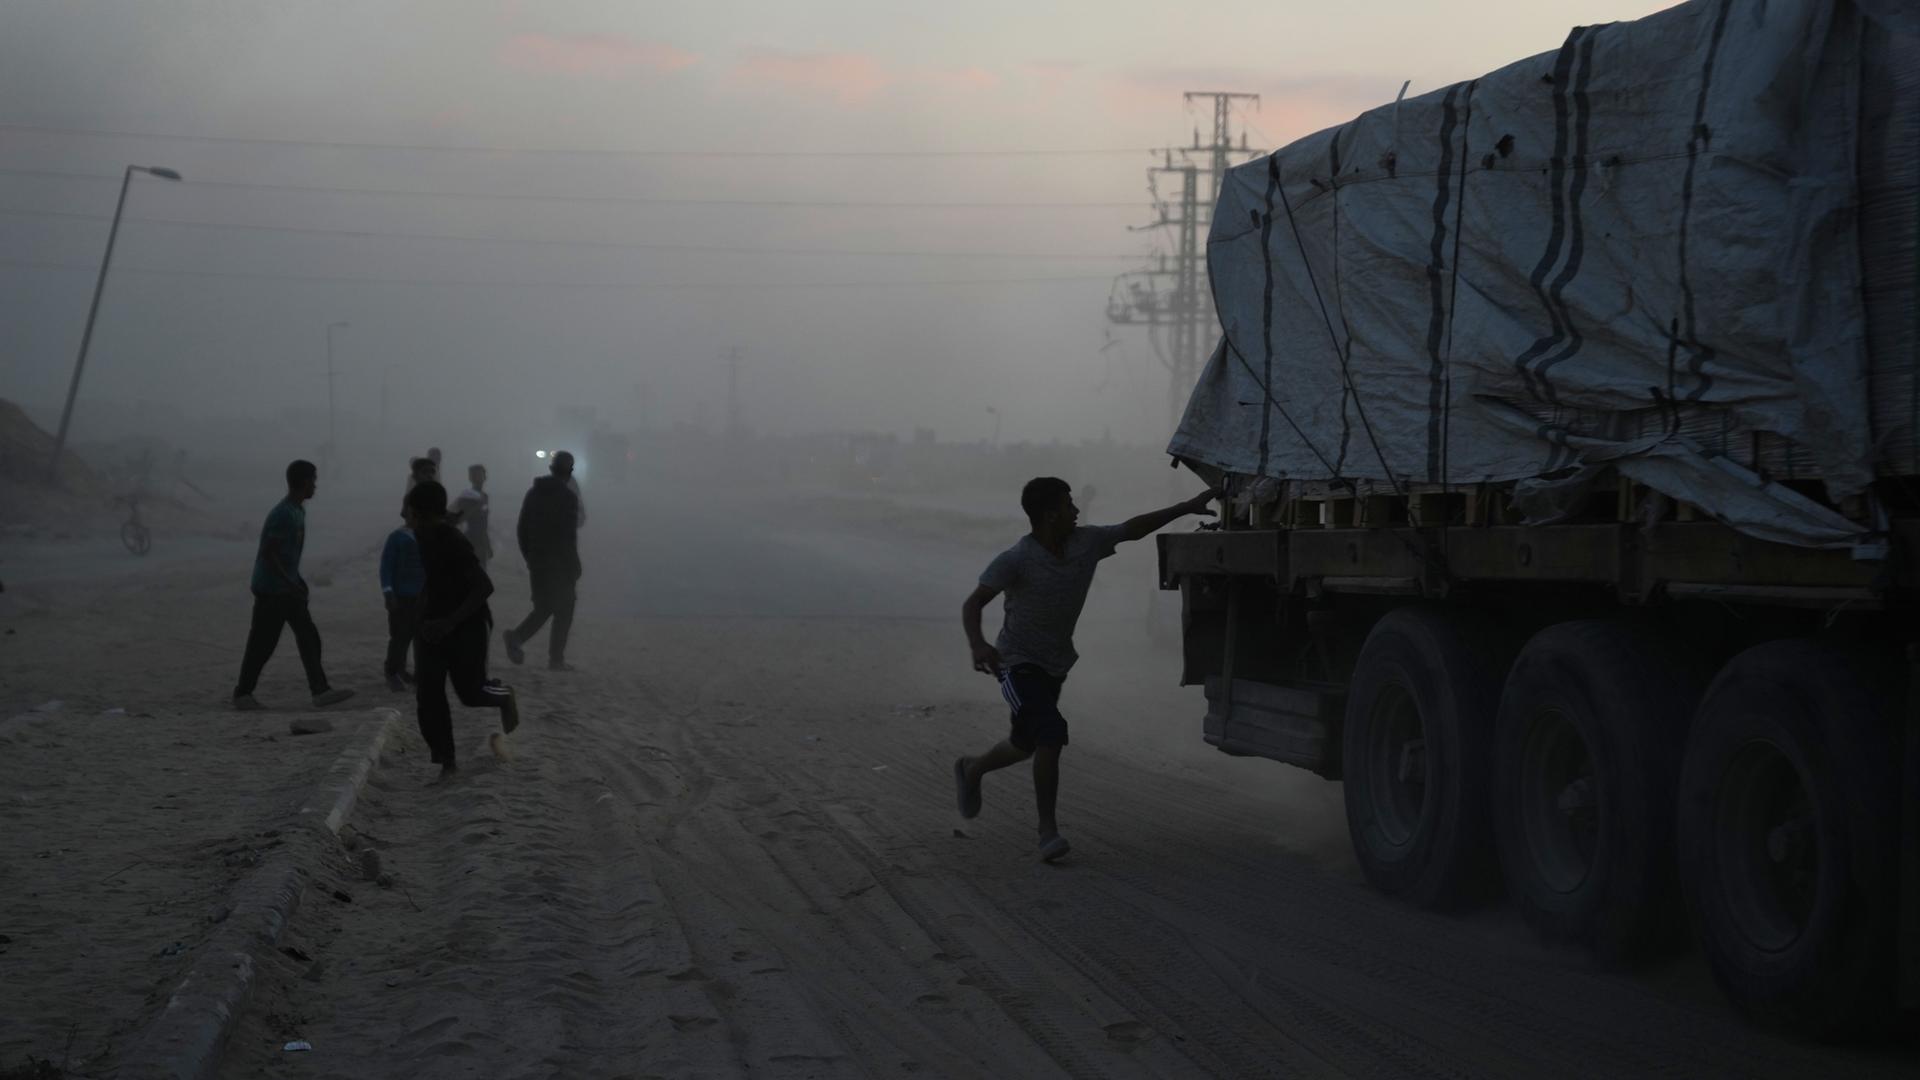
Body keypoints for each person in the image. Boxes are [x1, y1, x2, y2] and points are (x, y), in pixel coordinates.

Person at [952, 477, 1216, 862]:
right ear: (1050, 514)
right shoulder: (1016, 559)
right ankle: (1047, 833)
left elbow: (1132, 529)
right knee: (1051, 733)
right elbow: (973, 603)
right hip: (1016, 663)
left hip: (1055, 663)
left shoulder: (1086, 544)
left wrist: (1186, 506)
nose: (1077, 511)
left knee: (1026, 743)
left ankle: (973, 769)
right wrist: (978, 644)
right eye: (1069, 504)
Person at [407, 480, 518, 782]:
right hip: (432, 628)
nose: (406, 519)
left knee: (470, 693)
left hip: (467, 626)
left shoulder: (451, 541)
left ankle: (503, 696)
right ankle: (447, 762)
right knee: (429, 696)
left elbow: (484, 586)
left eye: (411, 514)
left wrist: (450, 622)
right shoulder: (421, 538)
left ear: (423, 514)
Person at [232, 460, 356, 711]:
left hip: (286, 588)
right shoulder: (283, 514)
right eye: (314, 480)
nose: (316, 486)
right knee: (263, 643)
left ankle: (320, 690)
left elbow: (287, 556)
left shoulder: (298, 511)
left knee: (308, 636)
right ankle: (243, 693)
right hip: (272, 589)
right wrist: (290, 581)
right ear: (304, 482)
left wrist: (296, 580)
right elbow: (270, 553)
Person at [503, 451, 581, 671]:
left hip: (538, 560)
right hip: (559, 565)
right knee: (565, 608)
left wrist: (530, 556)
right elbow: (568, 537)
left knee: (545, 606)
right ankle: (555, 658)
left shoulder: (533, 494)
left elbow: (522, 529)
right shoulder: (568, 498)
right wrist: (574, 566)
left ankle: (517, 637)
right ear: (569, 472)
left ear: (551, 469)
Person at [379, 506, 426, 692]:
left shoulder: (424, 536)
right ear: (407, 513)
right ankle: (392, 671)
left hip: (421, 596)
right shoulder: (397, 537)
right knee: (400, 637)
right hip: (401, 596)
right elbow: (386, 567)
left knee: (420, 638)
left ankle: (417, 675)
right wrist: (388, 591)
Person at [451, 464, 492, 565]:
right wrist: (476, 506)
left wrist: (488, 545)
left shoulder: (484, 496)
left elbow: (484, 523)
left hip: (481, 541)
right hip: (470, 540)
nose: (478, 478)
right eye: (475, 475)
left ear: (485, 477)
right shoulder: (466, 496)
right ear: (470, 478)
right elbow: (459, 519)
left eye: (480, 475)